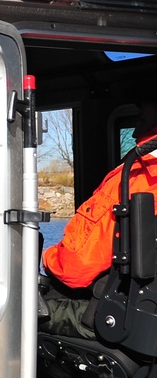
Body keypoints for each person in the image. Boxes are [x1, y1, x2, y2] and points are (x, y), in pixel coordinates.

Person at [40, 100, 157, 338]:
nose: (135, 130)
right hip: (146, 312)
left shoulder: (135, 179)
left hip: (121, 317)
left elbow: (75, 269)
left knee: (24, 310)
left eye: (142, 120)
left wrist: (47, 259)